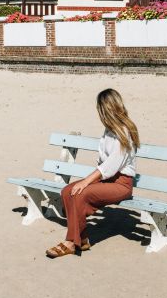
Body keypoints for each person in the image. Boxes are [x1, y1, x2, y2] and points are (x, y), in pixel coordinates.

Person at [46, 88, 139, 258]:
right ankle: (82, 240)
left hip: (121, 184)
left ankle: (71, 242)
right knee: (67, 191)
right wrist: (89, 181)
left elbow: (111, 166)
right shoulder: (109, 130)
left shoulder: (124, 132)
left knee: (81, 193)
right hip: (107, 180)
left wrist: (86, 181)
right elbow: (103, 162)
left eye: (100, 110)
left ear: (107, 110)